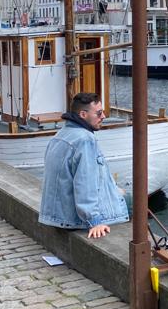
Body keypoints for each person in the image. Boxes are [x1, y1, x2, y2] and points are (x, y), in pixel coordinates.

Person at [39, 92, 129, 238]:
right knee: (135, 203)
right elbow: (85, 183)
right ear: (83, 114)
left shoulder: (60, 135)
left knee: (123, 193)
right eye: (99, 113)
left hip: (57, 214)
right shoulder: (85, 139)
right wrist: (94, 221)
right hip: (74, 219)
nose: (103, 117)